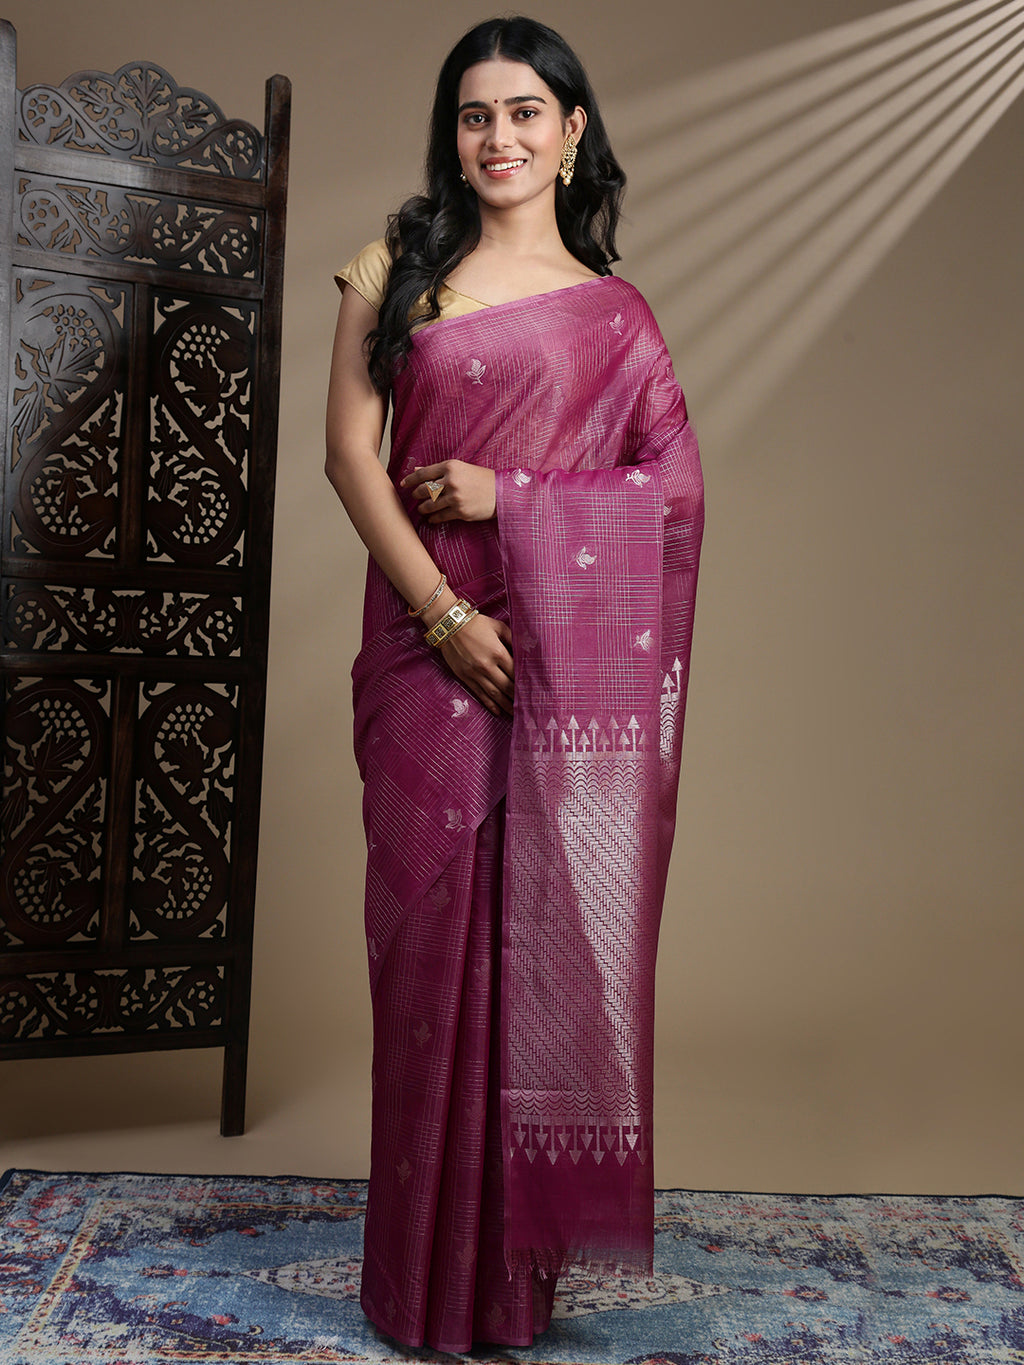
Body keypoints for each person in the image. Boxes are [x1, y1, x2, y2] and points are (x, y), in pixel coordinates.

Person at [325, 15, 703, 1353]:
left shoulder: (617, 316)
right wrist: (442, 618)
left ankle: (506, 1286)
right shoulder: (394, 269)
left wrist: (509, 495)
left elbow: (674, 496)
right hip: (424, 657)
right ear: (455, 133)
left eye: (526, 112)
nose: (499, 137)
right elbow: (351, 459)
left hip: (553, 674)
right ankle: (417, 1282)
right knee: (431, 958)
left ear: (572, 131)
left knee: (535, 962)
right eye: (476, 114)